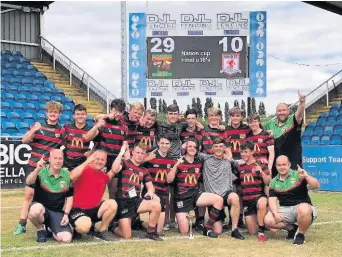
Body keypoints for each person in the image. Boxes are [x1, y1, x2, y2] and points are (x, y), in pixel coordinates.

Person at [14, 101, 65, 235]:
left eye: (55, 112)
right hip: (34, 166)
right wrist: (33, 130)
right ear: (46, 113)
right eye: (50, 111)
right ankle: (22, 224)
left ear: (59, 114)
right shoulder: (38, 126)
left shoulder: (62, 130)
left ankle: (47, 224)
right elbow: (24, 141)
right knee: (29, 195)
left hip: (49, 170)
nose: (53, 114)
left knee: (48, 197)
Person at [167, 138, 224, 238]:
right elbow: (169, 180)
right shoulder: (178, 160)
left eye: (194, 147)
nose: (192, 148)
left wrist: (227, 154)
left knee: (218, 199)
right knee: (184, 231)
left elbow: (215, 156)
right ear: (185, 148)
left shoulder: (200, 160)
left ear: (197, 149)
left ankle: (207, 227)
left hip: (195, 194)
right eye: (190, 146)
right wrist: (176, 166)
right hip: (181, 198)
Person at [111, 142, 163, 241]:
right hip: (124, 202)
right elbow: (114, 169)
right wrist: (121, 153)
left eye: (142, 153)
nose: (139, 155)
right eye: (138, 152)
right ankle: (113, 227)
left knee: (156, 205)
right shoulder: (125, 163)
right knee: (127, 236)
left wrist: (151, 192)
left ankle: (151, 232)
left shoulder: (144, 170)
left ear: (145, 155)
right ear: (133, 152)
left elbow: (150, 187)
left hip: (136, 201)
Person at [264, 155, 319, 245]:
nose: (282, 167)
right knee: (268, 220)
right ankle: (292, 229)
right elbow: (272, 199)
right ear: (276, 166)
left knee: (303, 208)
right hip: (285, 209)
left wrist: (306, 176)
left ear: (289, 165)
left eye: (284, 164)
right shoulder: (273, 181)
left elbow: (315, 185)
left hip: (303, 207)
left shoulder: (299, 175)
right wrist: (275, 212)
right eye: (279, 165)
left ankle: (300, 235)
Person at [198, 138, 245, 240]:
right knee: (218, 231)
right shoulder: (205, 159)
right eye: (216, 146)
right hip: (213, 197)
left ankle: (234, 230)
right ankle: (219, 219)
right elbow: (191, 151)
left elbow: (244, 161)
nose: (218, 148)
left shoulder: (229, 161)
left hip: (226, 193)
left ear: (225, 148)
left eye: (221, 146)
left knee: (235, 197)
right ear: (212, 148)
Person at [84, 98, 129, 200]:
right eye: (115, 110)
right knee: (96, 190)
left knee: (113, 191)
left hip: (115, 162)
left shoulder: (124, 127)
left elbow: (125, 146)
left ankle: (113, 214)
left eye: (120, 111)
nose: (118, 114)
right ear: (111, 109)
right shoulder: (102, 122)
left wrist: (127, 160)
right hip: (101, 161)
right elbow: (89, 137)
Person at [69, 150, 118, 241]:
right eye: (97, 159)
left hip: (94, 210)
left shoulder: (103, 176)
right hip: (78, 210)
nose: (100, 161)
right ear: (92, 158)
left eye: (102, 160)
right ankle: (73, 228)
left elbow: (114, 171)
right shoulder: (83, 169)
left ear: (106, 161)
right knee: (84, 227)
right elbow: (71, 176)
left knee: (112, 203)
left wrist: (122, 153)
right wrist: (87, 161)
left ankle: (102, 231)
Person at [26, 149, 73, 243]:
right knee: (35, 210)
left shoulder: (68, 175)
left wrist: (66, 214)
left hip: (57, 211)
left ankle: (49, 228)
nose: (58, 161)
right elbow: (29, 182)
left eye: (60, 158)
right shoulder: (41, 172)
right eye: (55, 158)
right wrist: (37, 169)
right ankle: (40, 229)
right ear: (50, 160)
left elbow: (70, 197)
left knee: (66, 239)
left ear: (63, 160)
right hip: (41, 210)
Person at [263, 92, 306, 177]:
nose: (281, 112)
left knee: (294, 188)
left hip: (292, 163)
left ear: (288, 111)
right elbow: (256, 125)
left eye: (284, 110)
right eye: (279, 111)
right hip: (276, 164)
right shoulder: (270, 123)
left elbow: (299, 114)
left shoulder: (292, 120)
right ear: (276, 112)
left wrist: (301, 103)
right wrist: (266, 132)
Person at [237, 142, 271, 242]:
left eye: (245, 152)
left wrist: (262, 173)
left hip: (259, 197)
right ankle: (262, 222)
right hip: (247, 201)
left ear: (252, 152)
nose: (243, 154)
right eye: (241, 152)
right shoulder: (239, 167)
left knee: (262, 203)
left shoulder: (261, 163)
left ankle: (261, 231)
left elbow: (269, 182)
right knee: (252, 232)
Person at [143, 135, 177, 234]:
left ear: (170, 145)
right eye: (162, 143)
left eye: (167, 143)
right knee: (155, 223)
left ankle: (142, 224)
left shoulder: (173, 159)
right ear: (158, 143)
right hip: (151, 191)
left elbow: (171, 179)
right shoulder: (151, 156)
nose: (164, 146)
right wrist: (146, 159)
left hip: (164, 192)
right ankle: (141, 223)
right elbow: (136, 165)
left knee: (158, 231)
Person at [225, 107, 250, 229]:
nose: (235, 118)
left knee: (241, 192)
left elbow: (259, 129)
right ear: (230, 117)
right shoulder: (225, 129)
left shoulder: (247, 128)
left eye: (238, 115)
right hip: (230, 164)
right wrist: (231, 161)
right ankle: (231, 219)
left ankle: (240, 218)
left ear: (241, 117)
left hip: (244, 163)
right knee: (231, 191)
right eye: (233, 115)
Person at [180, 108, 204, 230]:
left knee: (198, 189)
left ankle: (200, 220)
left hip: (198, 162)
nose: (190, 120)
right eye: (188, 118)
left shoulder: (201, 131)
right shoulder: (182, 131)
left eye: (193, 118)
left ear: (196, 119)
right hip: (185, 163)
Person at [62, 104, 93, 170]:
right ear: (74, 116)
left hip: (82, 162)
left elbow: (97, 142)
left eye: (82, 114)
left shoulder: (90, 129)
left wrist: (91, 151)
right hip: (67, 162)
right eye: (78, 114)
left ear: (86, 115)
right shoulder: (67, 127)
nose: (80, 116)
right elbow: (61, 141)